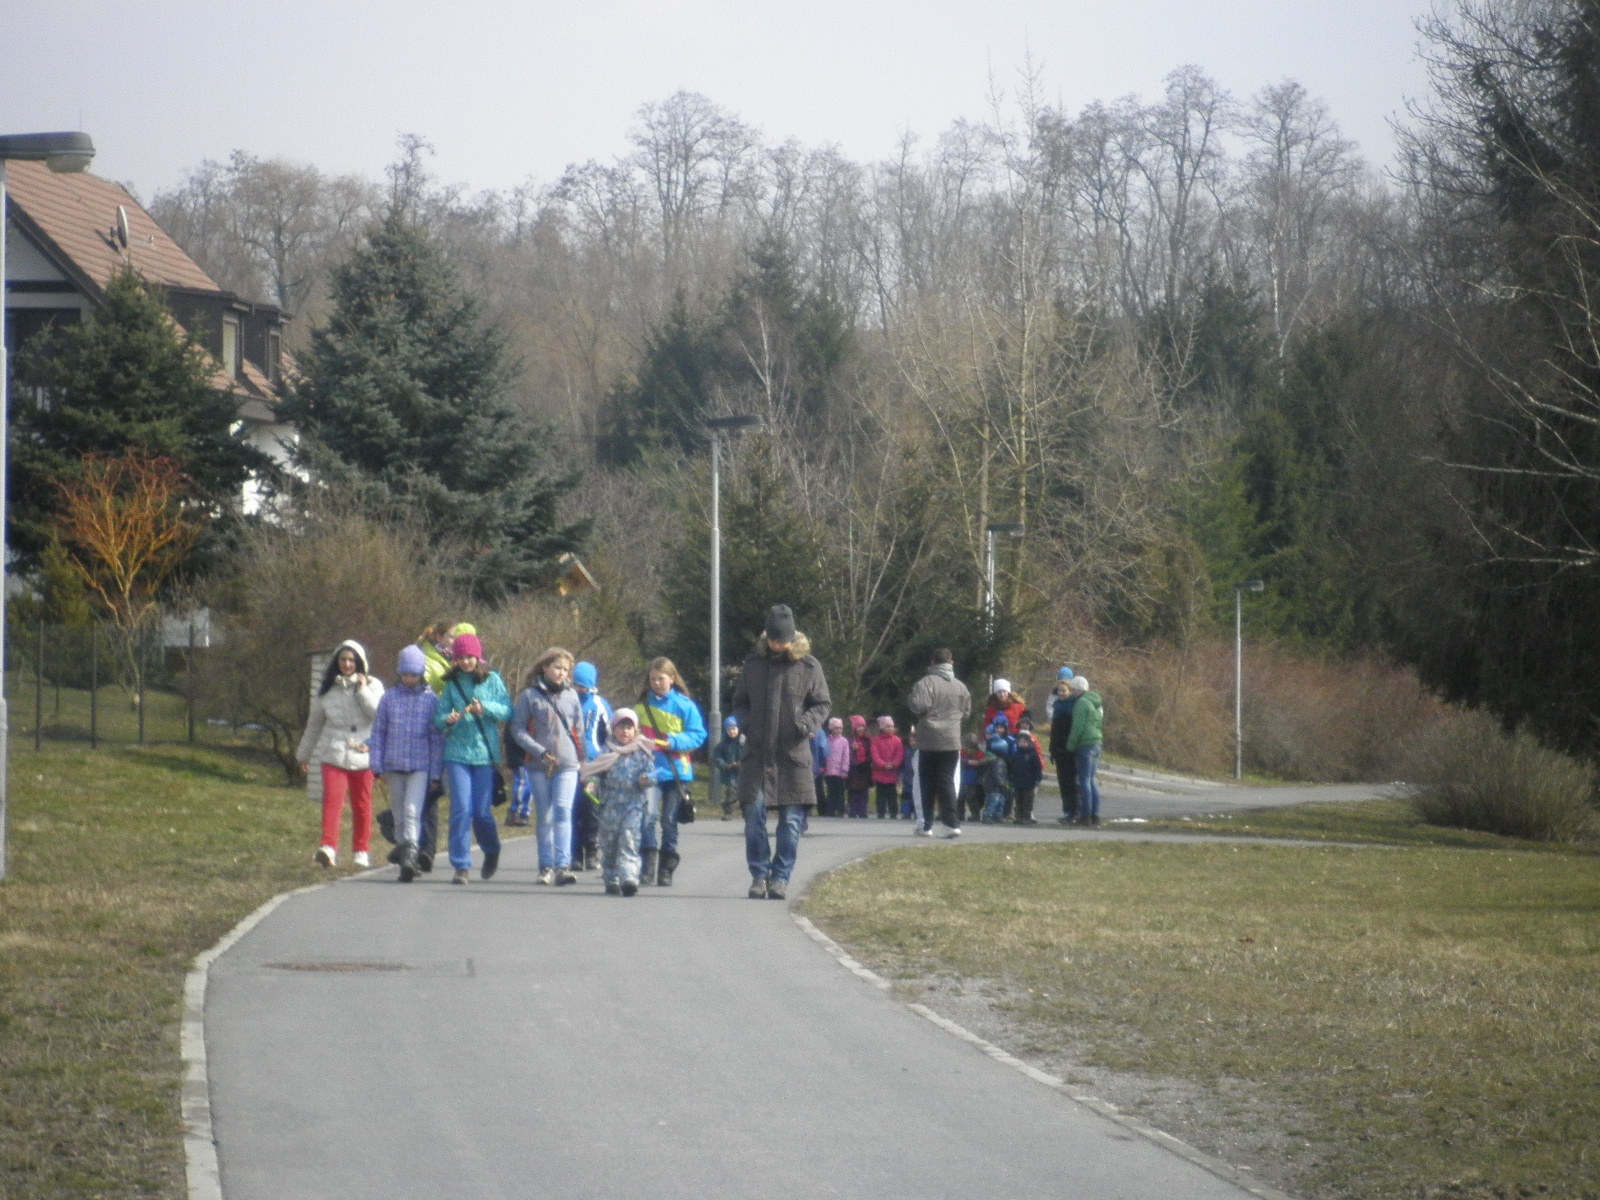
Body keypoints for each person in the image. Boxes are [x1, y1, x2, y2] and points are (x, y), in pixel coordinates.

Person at [733, 604, 831, 900]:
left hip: (792, 757)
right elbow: (739, 702)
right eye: (774, 640)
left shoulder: (809, 667)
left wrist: (805, 724)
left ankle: (781, 878)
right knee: (753, 817)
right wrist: (747, 724)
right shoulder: (753, 665)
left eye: (783, 640)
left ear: (792, 639)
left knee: (790, 822)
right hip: (757, 756)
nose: (778, 645)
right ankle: (759, 875)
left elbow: (822, 704)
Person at [297, 639, 384, 869]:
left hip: (364, 752)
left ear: (360, 662)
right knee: (332, 801)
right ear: (337, 662)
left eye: (352, 660)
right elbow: (314, 725)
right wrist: (303, 755)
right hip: (334, 751)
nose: (347, 664)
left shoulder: (373, 685)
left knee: (362, 804)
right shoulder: (326, 690)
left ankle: (361, 850)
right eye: (343, 660)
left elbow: (379, 714)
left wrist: (362, 691)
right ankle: (328, 848)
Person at [434, 633, 511, 885]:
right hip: (457, 754)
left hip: (484, 755)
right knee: (461, 810)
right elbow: (439, 716)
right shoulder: (452, 684)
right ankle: (461, 865)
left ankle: (491, 849)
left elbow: (507, 710)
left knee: (481, 812)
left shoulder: (492, 679)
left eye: (469, 657)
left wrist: (484, 708)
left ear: (478, 656)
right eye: (461, 658)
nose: (466, 662)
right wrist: (448, 719)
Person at [367, 645, 443, 881]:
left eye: (414, 674)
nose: (410, 679)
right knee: (399, 814)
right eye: (405, 674)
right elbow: (379, 732)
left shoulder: (431, 701)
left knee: (412, 811)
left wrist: (435, 773)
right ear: (399, 673)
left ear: (421, 674)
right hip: (393, 765)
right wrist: (376, 764)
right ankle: (406, 857)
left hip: (420, 766)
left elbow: (436, 738)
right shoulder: (389, 699)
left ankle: (410, 854)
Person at [511, 647, 585, 886]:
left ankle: (563, 866)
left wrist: (583, 760)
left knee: (563, 811)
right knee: (545, 815)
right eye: (557, 668)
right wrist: (539, 751)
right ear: (545, 668)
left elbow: (579, 730)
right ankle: (545, 867)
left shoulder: (572, 696)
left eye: (565, 669)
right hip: (537, 765)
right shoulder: (529, 696)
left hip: (567, 764)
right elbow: (517, 730)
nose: (561, 673)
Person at [637, 658, 707, 887]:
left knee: (668, 821)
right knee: (647, 818)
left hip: (676, 771)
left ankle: (666, 866)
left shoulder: (685, 705)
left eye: (661, 678)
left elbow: (698, 735)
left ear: (672, 679)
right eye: (653, 679)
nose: (656, 683)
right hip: (649, 771)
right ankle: (647, 868)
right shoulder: (640, 707)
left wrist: (673, 742)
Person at [580, 707, 656, 896]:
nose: (625, 732)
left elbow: (652, 774)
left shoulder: (642, 752)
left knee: (629, 839)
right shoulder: (607, 751)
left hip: (633, 804)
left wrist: (646, 779)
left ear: (636, 730)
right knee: (610, 843)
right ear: (613, 729)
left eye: (629, 728)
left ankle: (629, 877)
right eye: (621, 727)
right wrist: (592, 783)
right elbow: (596, 773)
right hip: (610, 806)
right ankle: (611, 878)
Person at [908, 648, 971, 838]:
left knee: (926, 782)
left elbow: (918, 705)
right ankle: (952, 823)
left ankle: (926, 826)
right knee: (947, 781)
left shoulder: (926, 683)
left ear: (933, 663)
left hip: (928, 740)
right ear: (951, 664)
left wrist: (911, 699)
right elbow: (966, 713)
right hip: (952, 740)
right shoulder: (961, 687)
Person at [571, 661, 612, 867]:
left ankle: (593, 847)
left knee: (592, 807)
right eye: (577, 684)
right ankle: (575, 852)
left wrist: (607, 759)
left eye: (584, 685)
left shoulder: (599, 704)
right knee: (573, 808)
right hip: (571, 763)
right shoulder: (567, 700)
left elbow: (611, 736)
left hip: (594, 765)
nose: (580, 689)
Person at [1066, 674, 1104, 826]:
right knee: (1092, 780)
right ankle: (1095, 815)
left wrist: (1071, 743)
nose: (1072, 692)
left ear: (1077, 689)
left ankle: (1085, 815)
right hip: (1097, 742)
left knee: (1084, 781)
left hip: (1085, 744)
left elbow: (1077, 726)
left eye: (1073, 690)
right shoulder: (1095, 702)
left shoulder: (1081, 703)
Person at [1049, 667, 1080, 825]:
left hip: (1070, 749)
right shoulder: (1057, 706)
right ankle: (1068, 811)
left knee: (1072, 782)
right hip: (1059, 749)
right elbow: (1054, 730)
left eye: (1064, 690)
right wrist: (1052, 749)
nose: (1061, 693)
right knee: (1063, 782)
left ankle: (1075, 812)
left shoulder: (1073, 705)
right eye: (1059, 690)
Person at [1010, 716, 1046, 825]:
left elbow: (1037, 767)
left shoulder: (1032, 753)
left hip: (1029, 782)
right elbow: (1012, 767)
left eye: (1024, 742)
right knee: (1019, 800)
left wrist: (1037, 778)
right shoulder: (1016, 754)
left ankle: (1027, 816)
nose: (1022, 743)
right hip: (1018, 782)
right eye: (1020, 742)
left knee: (1028, 800)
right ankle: (1019, 817)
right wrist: (1012, 778)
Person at [870, 716, 905, 818]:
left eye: (892, 726)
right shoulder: (876, 740)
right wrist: (883, 765)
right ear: (882, 728)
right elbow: (874, 754)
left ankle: (893, 813)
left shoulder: (897, 740)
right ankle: (880, 812)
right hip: (879, 772)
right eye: (887, 726)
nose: (890, 728)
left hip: (892, 773)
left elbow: (900, 754)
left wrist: (893, 764)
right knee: (880, 794)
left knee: (892, 795)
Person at [713, 715, 745, 819]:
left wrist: (742, 763)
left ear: (738, 729)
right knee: (730, 792)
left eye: (734, 729)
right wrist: (725, 765)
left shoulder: (743, 741)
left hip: (744, 772)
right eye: (729, 729)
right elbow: (717, 757)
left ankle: (746, 812)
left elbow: (748, 754)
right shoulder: (723, 744)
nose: (732, 731)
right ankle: (728, 812)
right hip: (730, 772)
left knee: (745, 793)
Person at [980, 723, 1012, 823]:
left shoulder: (998, 760)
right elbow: (997, 774)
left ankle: (997, 815)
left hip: (998, 785)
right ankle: (987, 816)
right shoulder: (998, 761)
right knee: (993, 800)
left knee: (1001, 800)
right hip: (994, 785)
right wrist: (1000, 783)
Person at [821, 716, 850, 816]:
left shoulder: (844, 741)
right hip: (829, 771)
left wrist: (845, 769)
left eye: (840, 728)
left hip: (840, 772)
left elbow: (846, 756)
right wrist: (823, 766)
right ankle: (831, 810)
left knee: (840, 792)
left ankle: (841, 810)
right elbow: (824, 754)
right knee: (831, 791)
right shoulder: (827, 740)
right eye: (836, 728)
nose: (838, 730)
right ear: (831, 729)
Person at [845, 715, 873, 818]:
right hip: (853, 769)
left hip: (864, 768)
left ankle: (862, 810)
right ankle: (852, 810)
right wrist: (853, 752)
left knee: (863, 792)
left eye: (862, 726)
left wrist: (867, 760)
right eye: (858, 726)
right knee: (852, 791)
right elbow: (847, 754)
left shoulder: (868, 740)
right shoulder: (850, 741)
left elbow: (871, 752)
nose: (860, 729)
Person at [899, 729, 920, 822]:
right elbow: (902, 764)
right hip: (907, 778)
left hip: (918, 778)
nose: (912, 743)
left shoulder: (920, 752)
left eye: (914, 741)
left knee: (917, 797)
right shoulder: (906, 751)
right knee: (906, 797)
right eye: (911, 741)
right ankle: (906, 812)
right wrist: (901, 775)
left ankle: (917, 813)